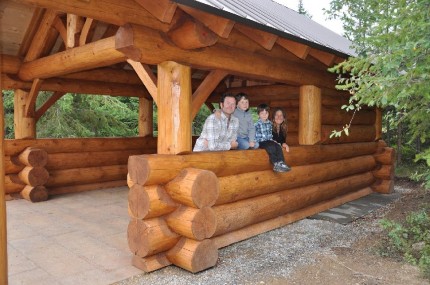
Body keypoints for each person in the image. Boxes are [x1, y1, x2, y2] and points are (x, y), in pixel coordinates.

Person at [254, 104, 291, 172]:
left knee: (277, 146)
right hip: (262, 142)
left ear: (284, 118)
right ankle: (276, 163)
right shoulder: (260, 124)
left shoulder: (274, 126)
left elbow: (281, 141)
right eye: (277, 115)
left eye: (281, 115)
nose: (279, 117)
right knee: (271, 146)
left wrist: (283, 144)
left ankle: (281, 163)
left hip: (270, 142)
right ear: (273, 117)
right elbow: (253, 134)